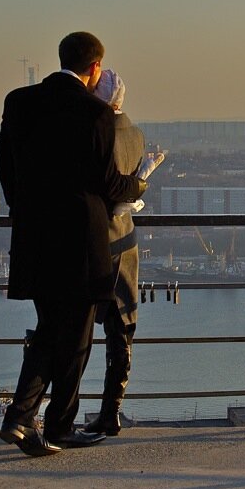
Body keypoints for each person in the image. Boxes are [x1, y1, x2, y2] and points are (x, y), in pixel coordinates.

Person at [0, 32, 146, 457]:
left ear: (61, 59)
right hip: (81, 244)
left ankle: (21, 419)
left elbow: (4, 163)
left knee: (47, 330)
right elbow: (110, 184)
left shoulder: (18, 102)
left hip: (33, 239)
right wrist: (140, 182)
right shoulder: (96, 115)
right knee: (76, 337)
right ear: (95, 68)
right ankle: (57, 425)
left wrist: (23, 204)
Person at [84, 69, 145, 436]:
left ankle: (65, 407)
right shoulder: (136, 134)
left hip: (92, 239)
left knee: (75, 326)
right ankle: (113, 410)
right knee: (121, 328)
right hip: (126, 238)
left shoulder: (95, 133)